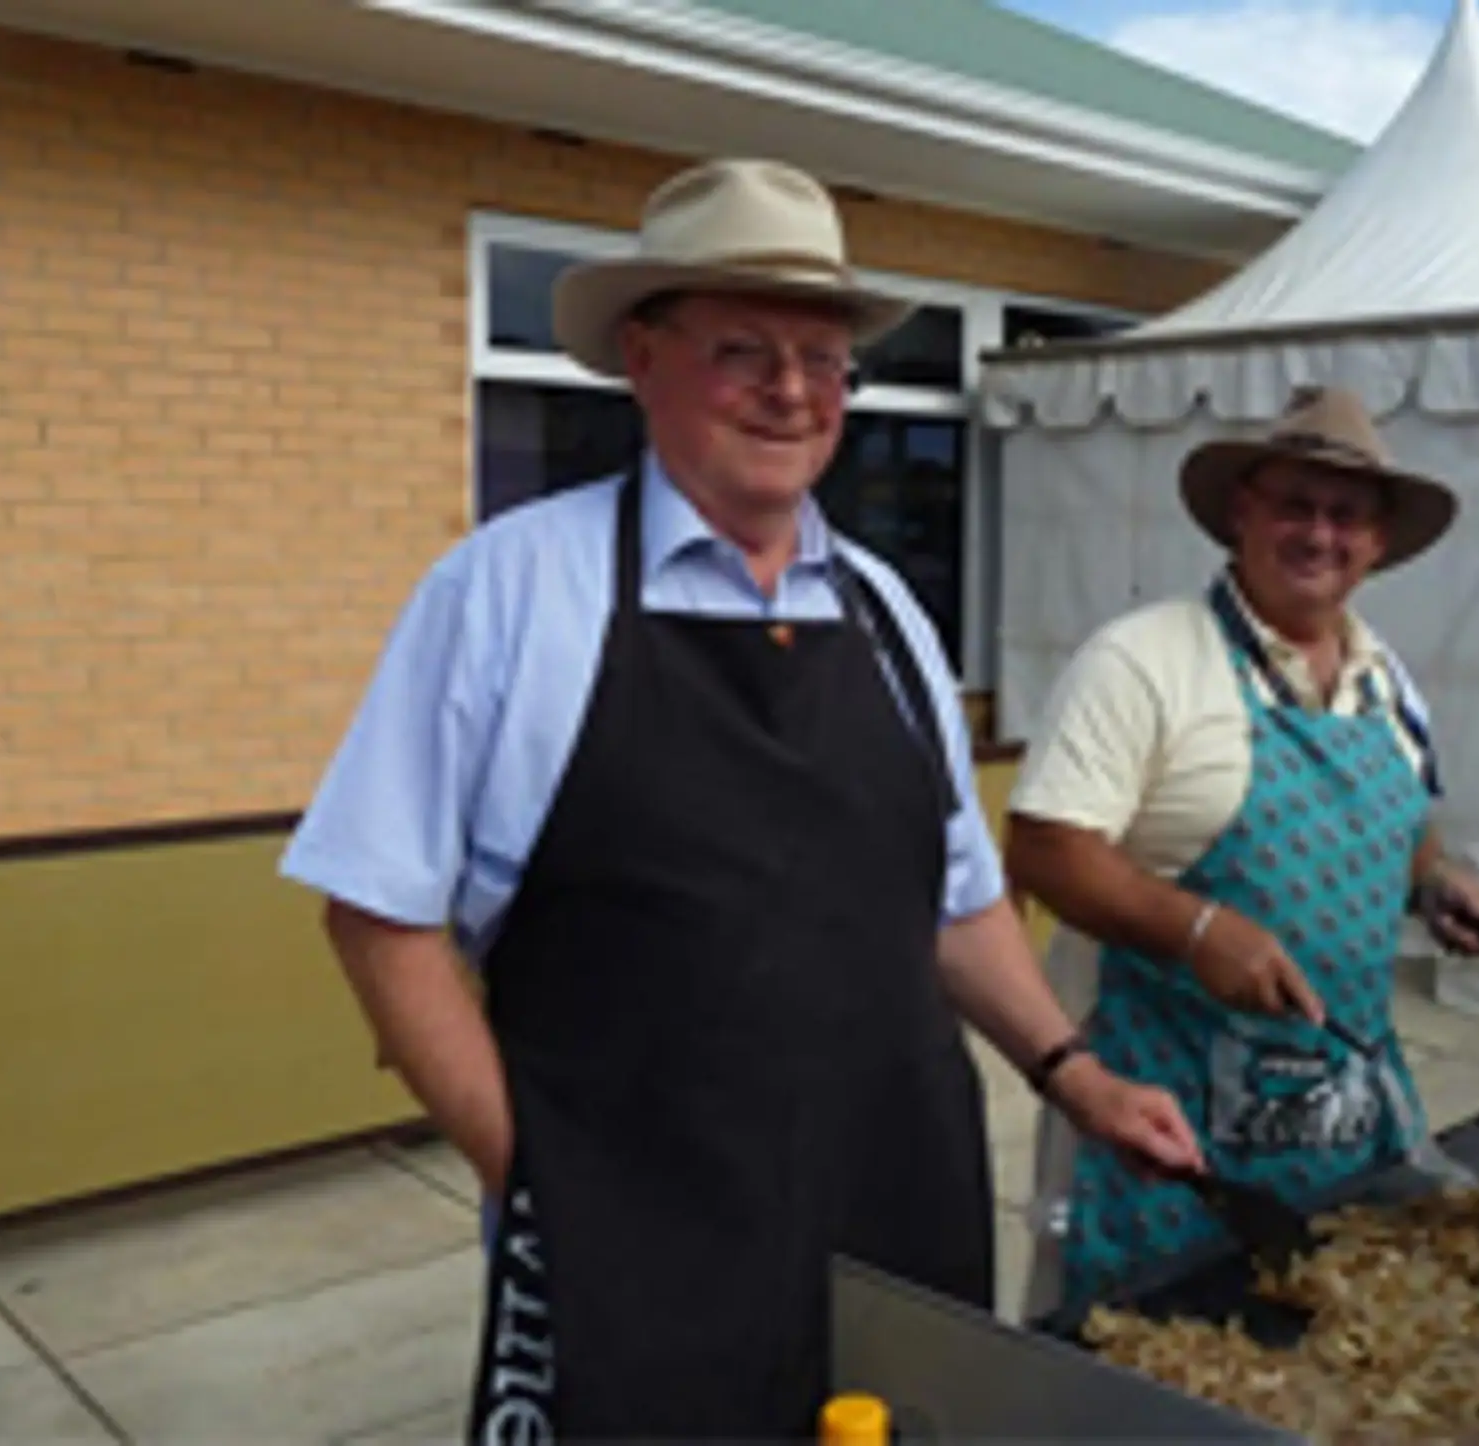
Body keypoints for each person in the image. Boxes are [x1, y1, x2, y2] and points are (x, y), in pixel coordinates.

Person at [278, 156, 1204, 1442]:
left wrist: (1071, 1072)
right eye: (744, 351)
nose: (791, 391)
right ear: (643, 357)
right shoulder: (507, 593)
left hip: (897, 1214)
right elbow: (377, 916)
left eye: (824, 360)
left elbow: (955, 902)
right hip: (624, 1236)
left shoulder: (883, 614)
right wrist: (531, 1178)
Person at [1004, 388, 1479, 1316]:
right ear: (1241, 511)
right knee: (1154, 1373)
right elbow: (1043, 848)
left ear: (1380, 541)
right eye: (1294, 505)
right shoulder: (1145, 661)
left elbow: (1404, 830)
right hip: (1167, 1135)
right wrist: (1196, 928)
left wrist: (1438, 885)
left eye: (1346, 514)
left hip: (1346, 1126)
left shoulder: (1385, 678)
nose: (1319, 534)